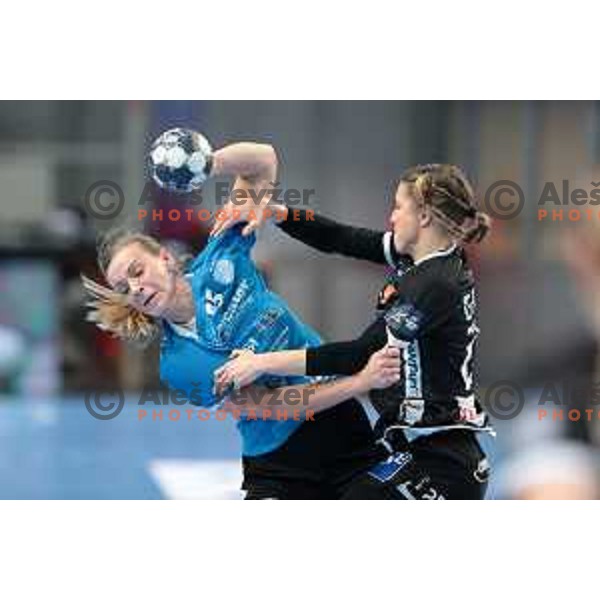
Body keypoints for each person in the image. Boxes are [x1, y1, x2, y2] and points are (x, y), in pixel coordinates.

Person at [81, 140, 395, 500]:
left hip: (344, 427)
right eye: (124, 287)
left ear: (166, 259)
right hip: (279, 460)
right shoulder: (178, 365)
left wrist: (206, 163)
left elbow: (263, 160)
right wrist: (360, 383)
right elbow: (272, 406)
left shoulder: (221, 253)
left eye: (138, 271)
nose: (135, 288)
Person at [213, 163, 494, 499]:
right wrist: (278, 213)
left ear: (424, 216)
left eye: (399, 206)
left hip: (443, 460)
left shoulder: (436, 283)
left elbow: (359, 355)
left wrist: (260, 363)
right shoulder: (420, 258)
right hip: (417, 448)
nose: (391, 217)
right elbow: (341, 238)